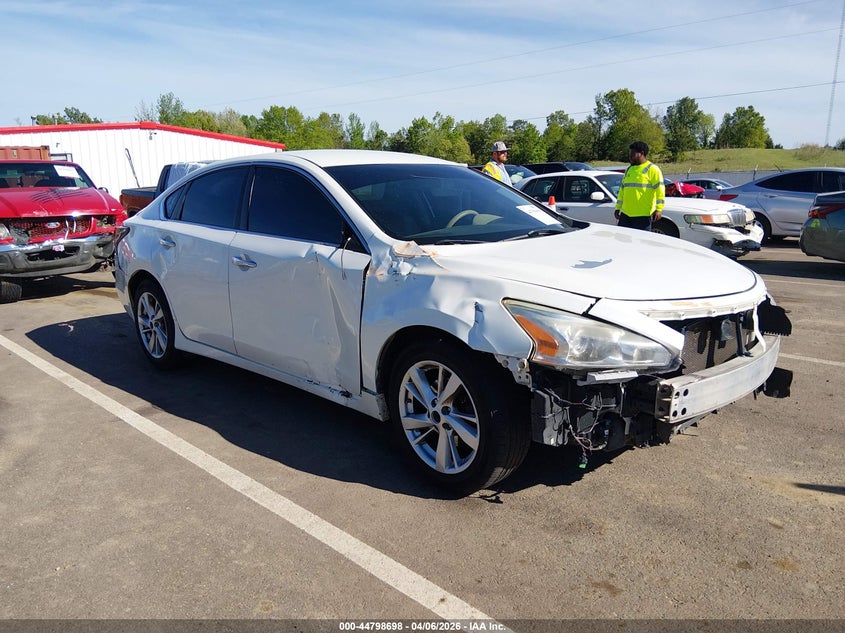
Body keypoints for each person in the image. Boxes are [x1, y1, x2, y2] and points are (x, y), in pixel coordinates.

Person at [614, 141, 665, 231]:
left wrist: (659, 209)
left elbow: (660, 190)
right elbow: (622, 191)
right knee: (621, 238)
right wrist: (617, 208)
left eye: (632, 154)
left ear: (642, 153)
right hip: (625, 215)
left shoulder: (653, 169)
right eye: (629, 154)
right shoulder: (629, 170)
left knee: (641, 240)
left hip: (643, 216)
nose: (630, 157)